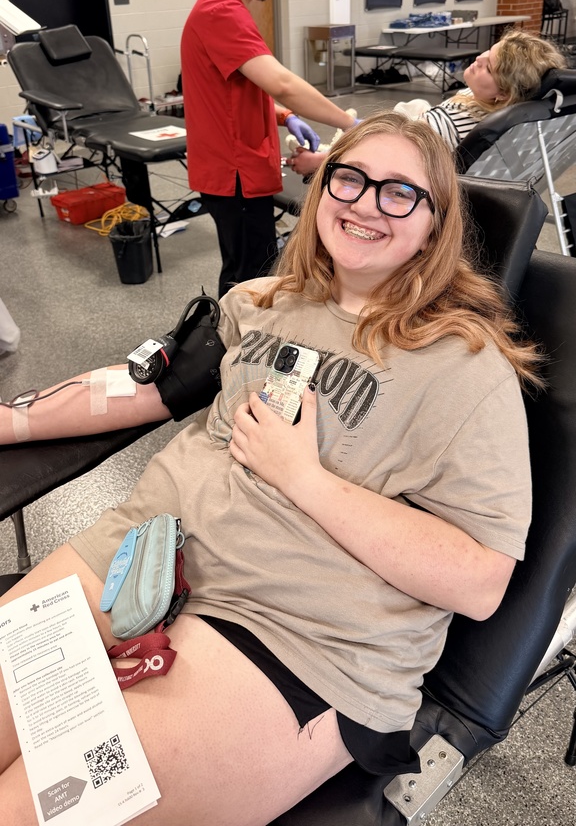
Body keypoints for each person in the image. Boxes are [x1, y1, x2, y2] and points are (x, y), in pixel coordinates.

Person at [0, 113, 540, 825]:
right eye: (350, 178)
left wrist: (305, 479)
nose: (365, 202)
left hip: (289, 631)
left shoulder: (467, 371)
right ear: (323, 189)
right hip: (141, 552)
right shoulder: (260, 302)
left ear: (436, 226)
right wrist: (8, 419)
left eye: (399, 192)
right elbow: (140, 387)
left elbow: (480, 583)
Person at [181, 0, 357, 297]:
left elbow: (236, 91)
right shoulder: (220, 11)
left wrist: (284, 117)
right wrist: (349, 125)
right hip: (234, 176)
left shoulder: (226, 7)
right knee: (249, 281)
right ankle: (234, 352)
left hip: (237, 171)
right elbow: (281, 82)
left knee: (250, 268)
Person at [286, 28, 566, 177]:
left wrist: (322, 162)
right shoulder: (508, 112)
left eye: (489, 67)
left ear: (503, 93)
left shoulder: (446, 125)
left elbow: (383, 155)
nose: (479, 58)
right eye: (488, 52)